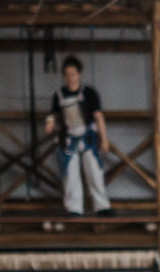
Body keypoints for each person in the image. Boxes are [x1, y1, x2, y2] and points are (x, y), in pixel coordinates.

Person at [44, 55, 113, 217]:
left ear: (79, 74)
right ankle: (74, 208)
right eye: (67, 74)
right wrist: (49, 122)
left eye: (73, 74)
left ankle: (102, 206)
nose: (70, 77)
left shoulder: (89, 93)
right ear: (63, 76)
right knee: (70, 174)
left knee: (95, 172)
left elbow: (98, 116)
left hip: (88, 136)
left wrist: (104, 138)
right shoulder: (59, 95)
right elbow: (53, 114)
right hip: (68, 138)